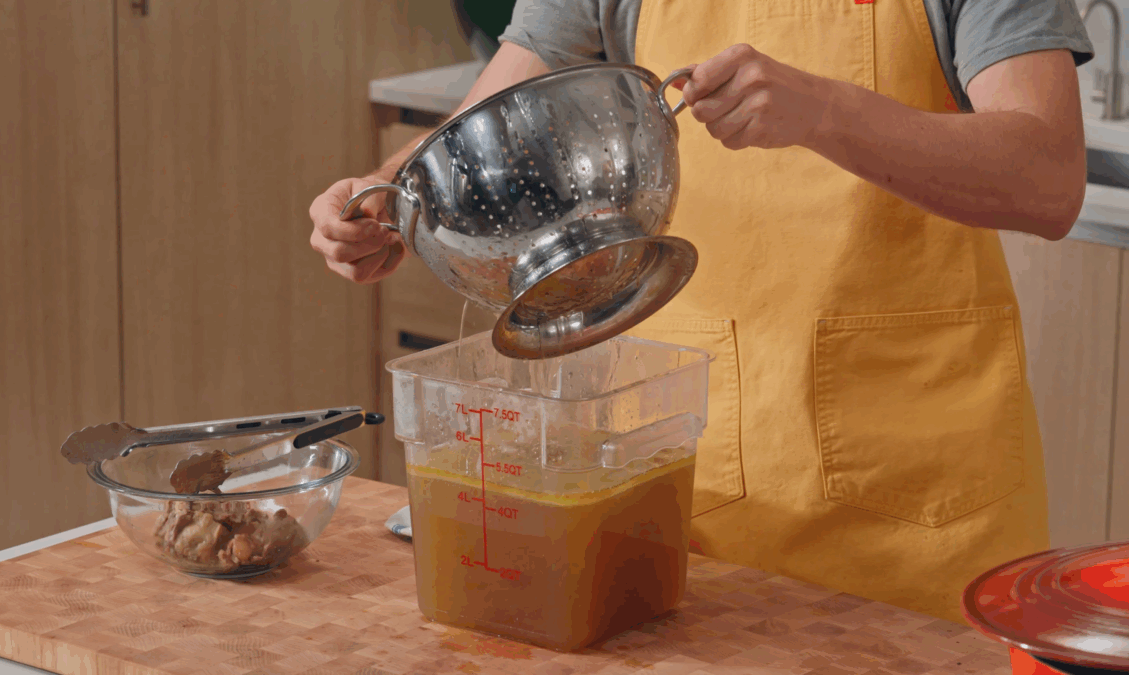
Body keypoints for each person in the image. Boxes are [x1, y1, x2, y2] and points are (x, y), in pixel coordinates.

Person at [309, 0, 1094, 624]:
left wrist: (824, 112)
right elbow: (475, 128)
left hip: (915, 546)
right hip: (680, 528)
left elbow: (1048, 178)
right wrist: (380, 197)